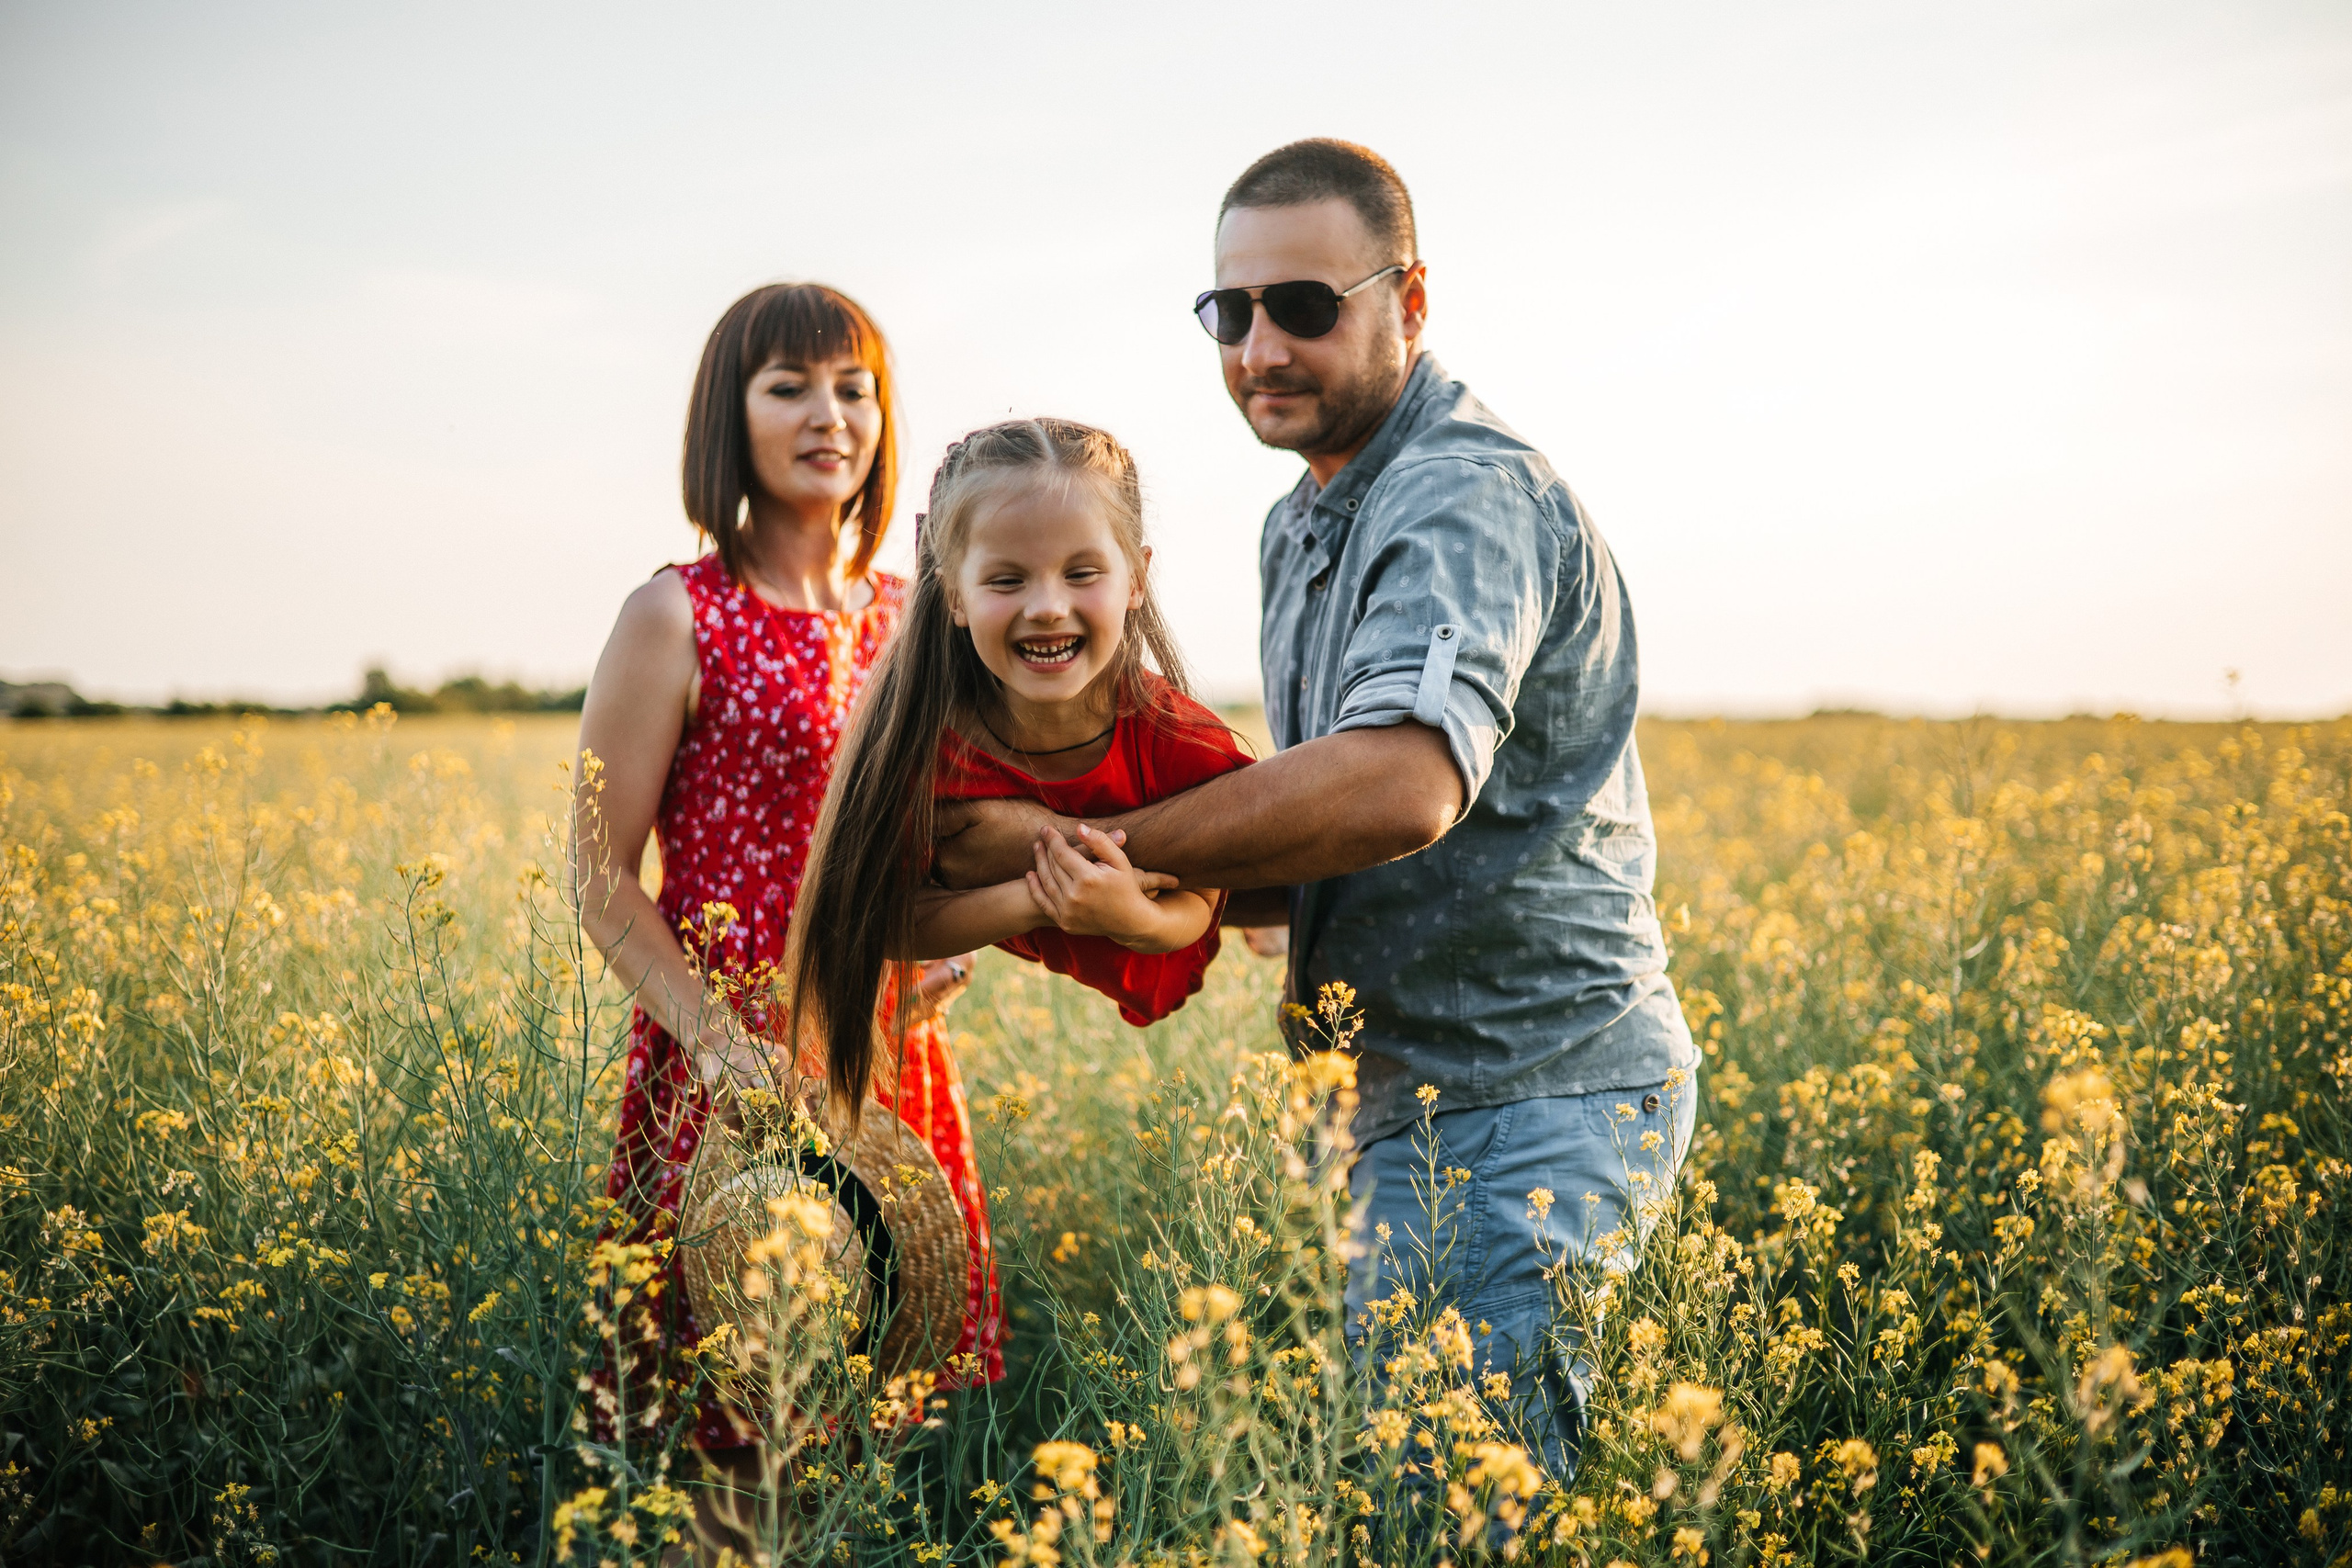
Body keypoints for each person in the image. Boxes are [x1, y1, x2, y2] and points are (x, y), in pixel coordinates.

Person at [933, 140, 1700, 1476]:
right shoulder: (1304, 522)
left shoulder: (1462, 491)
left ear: (1410, 298)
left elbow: (1399, 786)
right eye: (1229, 312)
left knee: (1461, 1514)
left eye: (1304, 304)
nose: (1259, 347)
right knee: (1416, 1498)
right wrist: (1102, 902)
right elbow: (1317, 847)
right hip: (1403, 1101)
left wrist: (1096, 845)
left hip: (1524, 1093)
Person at [571, 284, 1000, 1531]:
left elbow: (959, 833)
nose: (833, 415)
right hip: (727, 1066)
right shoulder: (675, 612)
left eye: (857, 387)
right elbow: (597, 875)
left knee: (867, 1433)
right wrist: (719, 1044)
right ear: (731, 414)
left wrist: (940, 948)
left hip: (883, 1064)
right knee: (725, 1451)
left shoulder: (920, 613)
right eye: (791, 386)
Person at [788, 416, 1253, 1107]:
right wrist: (1043, 898)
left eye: (1082, 572)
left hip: (1162, 963)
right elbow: (888, 920)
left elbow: (1202, 899)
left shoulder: (1185, 741)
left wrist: (1133, 918)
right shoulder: (927, 743)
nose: (1046, 606)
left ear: (1136, 578)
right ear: (952, 594)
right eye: (1006, 579)